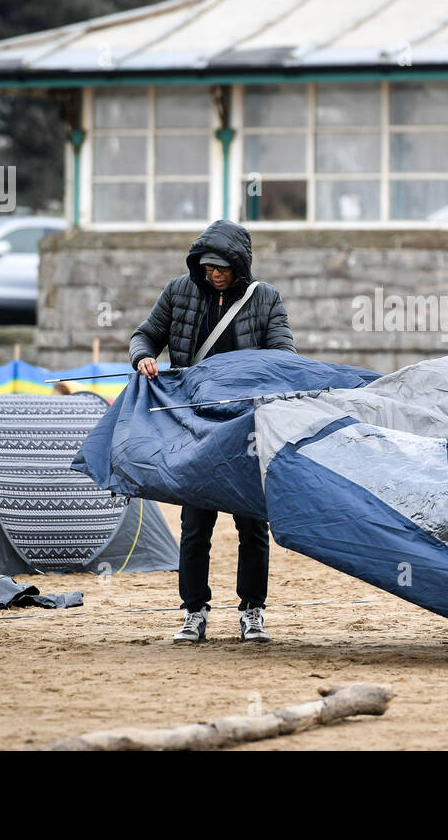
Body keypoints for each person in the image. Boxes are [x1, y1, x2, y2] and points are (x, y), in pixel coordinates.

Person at [129, 219, 295, 644]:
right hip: (194, 424)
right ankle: (194, 611)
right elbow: (145, 335)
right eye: (207, 267)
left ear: (239, 266)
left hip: (245, 427)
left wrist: (254, 382)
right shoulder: (178, 292)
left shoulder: (267, 299)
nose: (213, 273)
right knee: (195, 523)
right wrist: (143, 358)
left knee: (253, 523)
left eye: (221, 267)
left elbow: (284, 356)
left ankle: (252, 611)